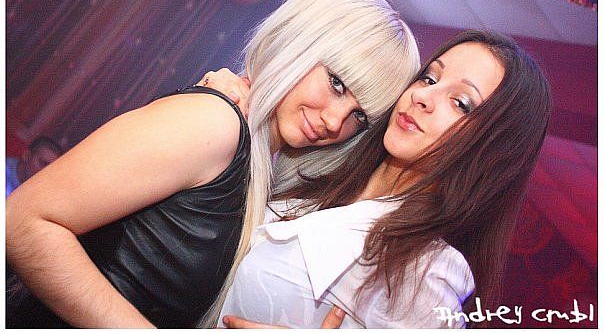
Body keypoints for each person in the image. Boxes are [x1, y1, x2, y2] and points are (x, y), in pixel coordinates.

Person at [5, 0, 420, 328]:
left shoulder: (262, 168)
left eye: (359, 116)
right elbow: (25, 222)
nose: (334, 121)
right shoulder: (217, 123)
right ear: (301, 42)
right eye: (337, 83)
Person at [209, 30, 551, 328]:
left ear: (491, 150)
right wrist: (227, 101)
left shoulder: (425, 270)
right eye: (429, 78)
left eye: (460, 103)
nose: (422, 97)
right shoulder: (325, 160)